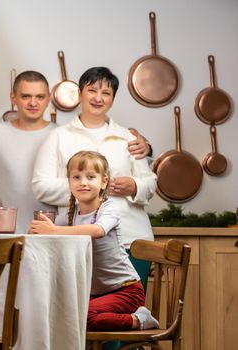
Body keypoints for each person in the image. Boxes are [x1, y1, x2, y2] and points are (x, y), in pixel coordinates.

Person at [0, 70, 150, 234]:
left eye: (40, 97)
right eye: (25, 96)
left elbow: (103, 161)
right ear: (13, 98)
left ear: (48, 99)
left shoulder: (61, 134)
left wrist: (145, 146)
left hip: (63, 232)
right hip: (15, 231)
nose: (33, 103)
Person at [32, 67, 156, 288]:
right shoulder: (58, 137)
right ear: (80, 94)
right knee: (82, 311)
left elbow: (150, 183)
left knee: (129, 310)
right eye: (92, 91)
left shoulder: (128, 138)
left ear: (112, 100)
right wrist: (91, 188)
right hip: (77, 238)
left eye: (106, 93)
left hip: (131, 237)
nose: (98, 98)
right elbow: (41, 186)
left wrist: (134, 185)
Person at [30, 151, 158, 332]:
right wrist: (38, 229)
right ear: (69, 182)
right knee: (61, 315)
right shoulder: (70, 216)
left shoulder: (109, 208)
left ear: (104, 182)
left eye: (90, 177)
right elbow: (48, 230)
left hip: (126, 290)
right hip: (96, 294)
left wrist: (53, 230)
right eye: (76, 177)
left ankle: (139, 319)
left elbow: (98, 230)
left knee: (84, 318)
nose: (83, 182)